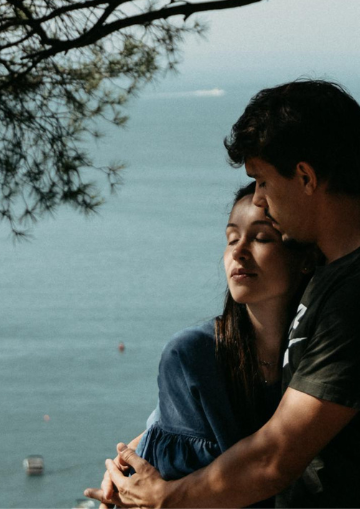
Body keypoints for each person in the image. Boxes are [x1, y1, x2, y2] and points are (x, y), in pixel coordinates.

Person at [94, 79, 360, 508]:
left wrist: (168, 498)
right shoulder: (332, 273)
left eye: (261, 180)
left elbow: (276, 456)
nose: (259, 199)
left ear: (305, 177)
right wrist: (147, 444)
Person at [87, 183, 319, 506]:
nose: (238, 252)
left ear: (305, 258)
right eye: (231, 238)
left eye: (261, 237)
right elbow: (172, 480)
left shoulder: (324, 353)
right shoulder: (193, 357)